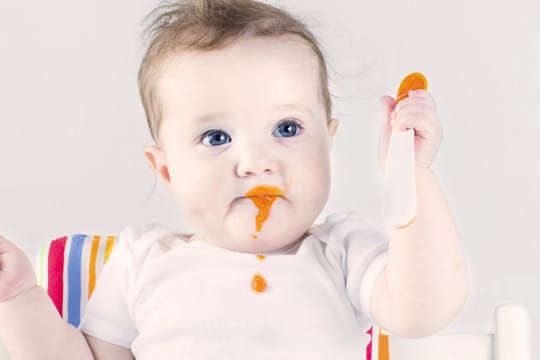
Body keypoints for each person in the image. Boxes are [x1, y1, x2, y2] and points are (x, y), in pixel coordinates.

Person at [0, 0, 468, 359]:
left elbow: (422, 308)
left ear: (328, 142)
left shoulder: (342, 252)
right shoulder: (141, 261)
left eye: (287, 129)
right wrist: (19, 298)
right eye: (216, 136)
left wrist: (415, 175)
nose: (255, 163)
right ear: (166, 169)